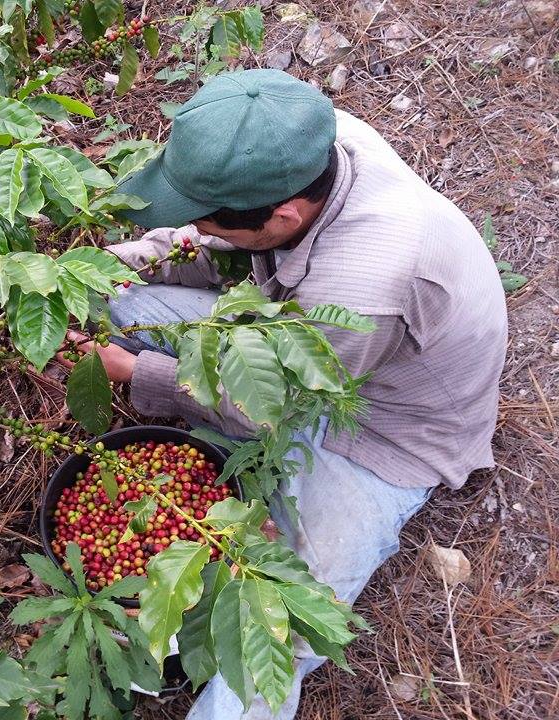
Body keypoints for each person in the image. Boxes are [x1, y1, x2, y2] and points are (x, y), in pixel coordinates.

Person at [59, 69, 508, 719]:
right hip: (302, 334)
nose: (200, 225)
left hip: (389, 430)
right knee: (126, 295)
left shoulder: (362, 288)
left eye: (209, 216)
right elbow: (214, 246)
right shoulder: (303, 142)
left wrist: (133, 373)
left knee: (276, 626)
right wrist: (120, 260)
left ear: (284, 217)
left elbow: (259, 410)